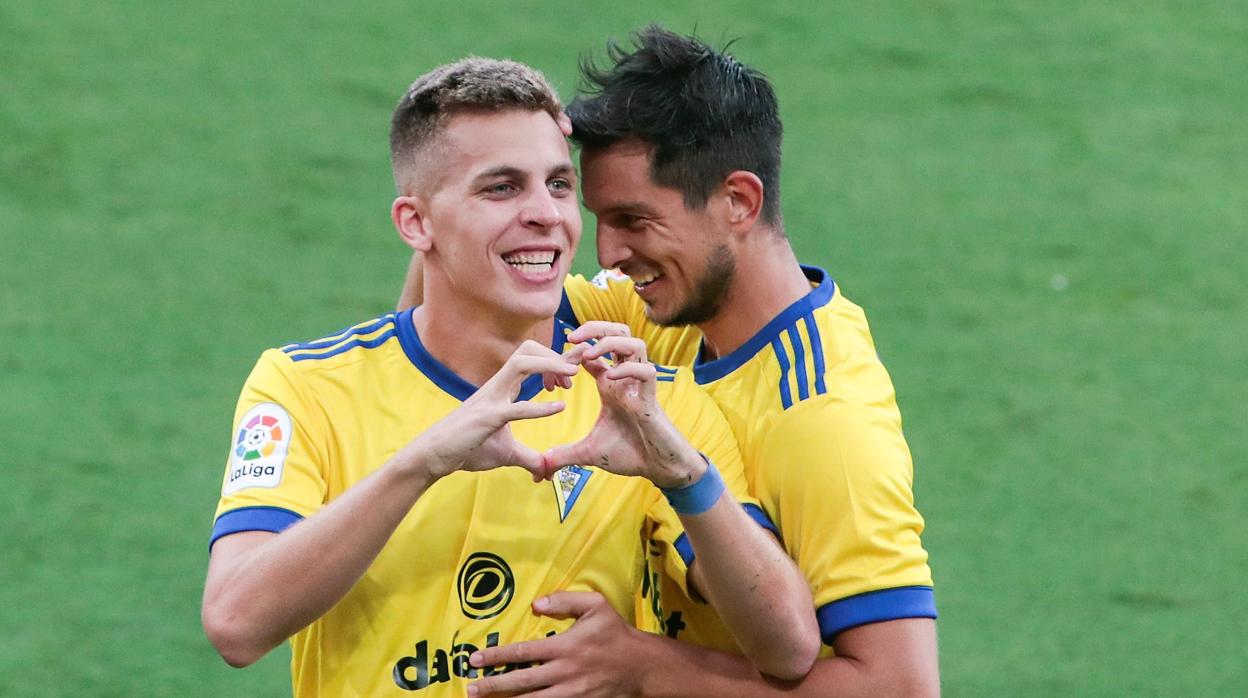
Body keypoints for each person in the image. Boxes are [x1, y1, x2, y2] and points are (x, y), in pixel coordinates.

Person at [201, 57, 819, 697]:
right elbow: (236, 625)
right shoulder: (306, 387)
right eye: (501, 188)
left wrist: (683, 477)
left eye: (557, 184)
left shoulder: (640, 402)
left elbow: (788, 647)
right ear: (417, 223)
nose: (546, 214)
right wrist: (424, 462)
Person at [403, 26, 938, 697]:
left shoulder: (822, 417)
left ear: (738, 202)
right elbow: (456, 301)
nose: (608, 253)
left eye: (634, 219)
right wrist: (469, 183)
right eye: (597, 216)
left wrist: (645, 667)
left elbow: (901, 687)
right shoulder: (656, 313)